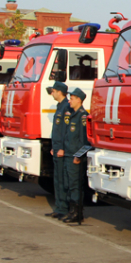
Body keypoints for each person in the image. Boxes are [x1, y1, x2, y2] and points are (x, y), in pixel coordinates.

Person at [61, 87, 89, 224]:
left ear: (79, 100)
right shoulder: (71, 114)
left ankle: (77, 213)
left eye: (72, 99)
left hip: (75, 157)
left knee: (75, 185)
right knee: (68, 183)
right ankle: (71, 211)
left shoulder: (83, 116)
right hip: (68, 154)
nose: (69, 101)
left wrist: (79, 156)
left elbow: (85, 140)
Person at [46, 81, 70, 219]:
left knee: (63, 179)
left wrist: (61, 148)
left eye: (53, 91)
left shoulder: (66, 107)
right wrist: (53, 147)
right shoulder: (60, 106)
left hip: (61, 150)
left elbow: (66, 131)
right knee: (57, 180)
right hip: (56, 149)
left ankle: (64, 208)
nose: (52, 93)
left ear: (60, 91)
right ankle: (59, 207)